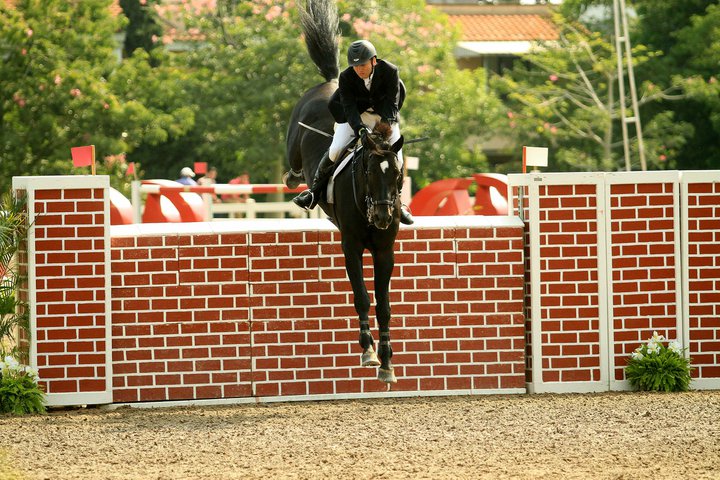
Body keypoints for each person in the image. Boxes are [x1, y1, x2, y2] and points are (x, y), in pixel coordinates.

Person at [292, 40, 414, 225]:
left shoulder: (390, 71)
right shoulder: (347, 77)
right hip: (356, 116)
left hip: (384, 117)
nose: (359, 69)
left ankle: (399, 203)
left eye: (362, 64)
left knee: (396, 157)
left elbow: (391, 104)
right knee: (335, 149)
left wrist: (383, 129)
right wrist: (360, 130)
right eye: (355, 66)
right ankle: (313, 193)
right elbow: (348, 108)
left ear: (374, 60)